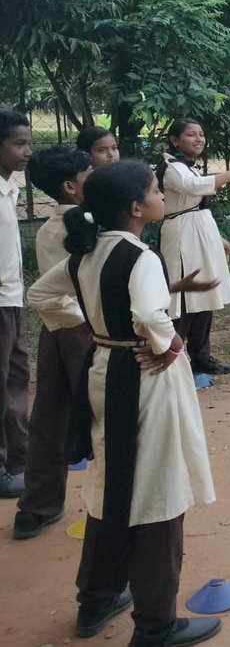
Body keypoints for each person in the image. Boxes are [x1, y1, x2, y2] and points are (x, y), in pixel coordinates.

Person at [27, 161, 221, 646]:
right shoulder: (140, 255)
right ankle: (156, 623)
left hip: (106, 371)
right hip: (144, 380)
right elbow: (151, 315)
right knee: (157, 491)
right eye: (156, 190)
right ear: (138, 207)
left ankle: (97, 599)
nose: (161, 195)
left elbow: (40, 294)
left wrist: (98, 330)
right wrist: (171, 346)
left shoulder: (87, 252)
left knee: (113, 483)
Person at [13, 147, 92, 538]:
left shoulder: (47, 228)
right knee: (110, 416)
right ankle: (118, 509)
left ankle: (37, 507)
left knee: (50, 417)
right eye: (88, 171)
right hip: (87, 331)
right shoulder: (85, 226)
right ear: (70, 186)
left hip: (55, 329)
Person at [157, 120, 230, 381]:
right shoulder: (172, 167)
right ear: (175, 140)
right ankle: (174, 356)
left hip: (199, 231)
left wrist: (217, 239)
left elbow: (198, 208)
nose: (199, 139)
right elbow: (195, 189)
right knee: (184, 298)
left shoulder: (192, 168)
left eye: (202, 134)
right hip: (182, 235)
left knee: (204, 295)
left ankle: (202, 358)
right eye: (191, 135)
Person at [0, 109, 32, 500]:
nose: (26, 152)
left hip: (13, 297)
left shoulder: (10, 189)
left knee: (17, 376)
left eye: (29, 144)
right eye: (18, 144)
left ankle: (19, 455)